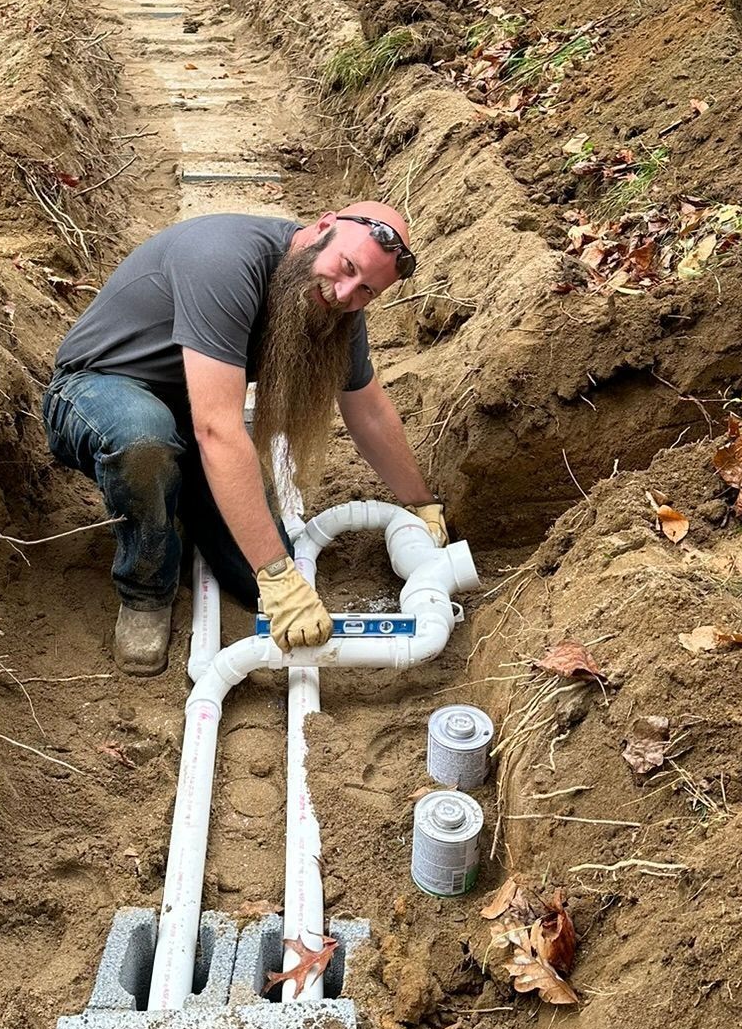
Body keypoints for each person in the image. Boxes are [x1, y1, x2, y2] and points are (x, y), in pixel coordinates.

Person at [41, 204, 447, 676]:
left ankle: (172, 498)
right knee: (146, 442)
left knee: (253, 576)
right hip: (98, 390)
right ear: (323, 227)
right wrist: (277, 576)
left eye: (365, 292)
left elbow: (369, 411)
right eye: (347, 268)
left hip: (188, 411)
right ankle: (146, 587)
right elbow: (218, 429)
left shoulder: (336, 306)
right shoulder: (225, 259)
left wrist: (422, 504)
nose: (343, 293)